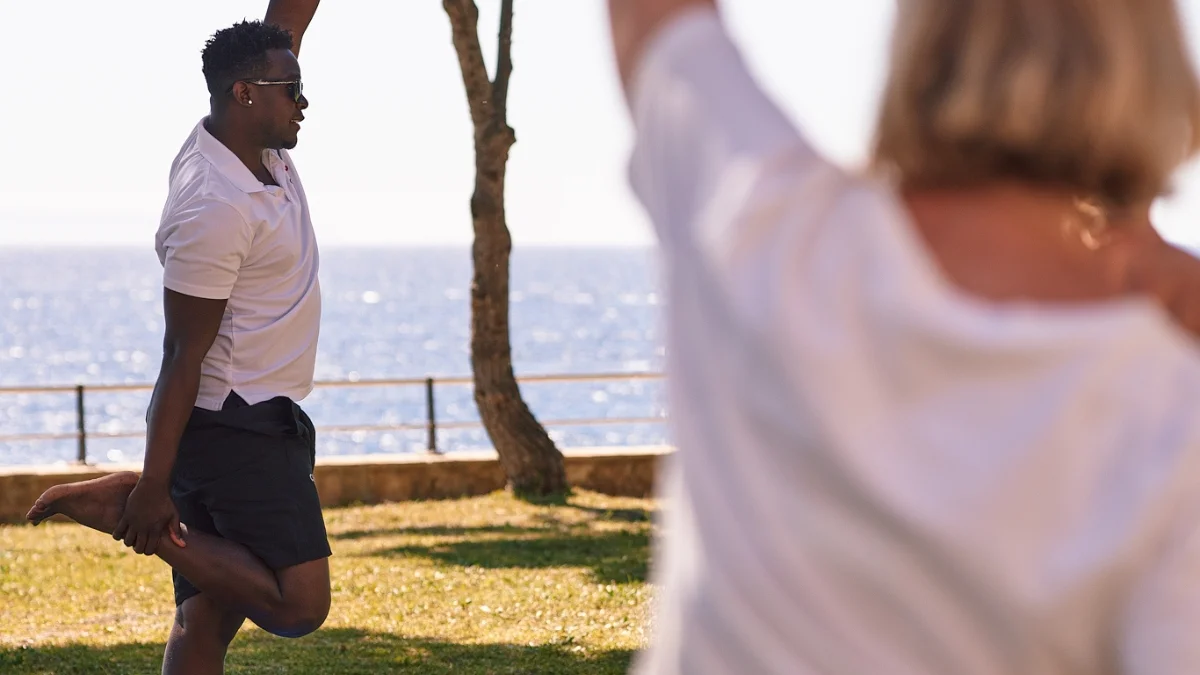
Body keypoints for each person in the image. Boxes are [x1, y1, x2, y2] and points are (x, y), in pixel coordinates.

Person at [608, 0, 1200, 673]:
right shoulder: (1170, 416)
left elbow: (654, 23)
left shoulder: (763, 224)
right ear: (1155, 66)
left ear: (923, 39)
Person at [26, 19, 329, 674]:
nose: (303, 101)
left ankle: (144, 503)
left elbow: (285, 27)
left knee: (206, 617)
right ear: (245, 93)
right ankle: (129, 509)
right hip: (238, 427)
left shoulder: (255, 143)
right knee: (299, 604)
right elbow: (181, 355)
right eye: (292, 88)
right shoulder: (214, 207)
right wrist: (154, 485)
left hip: (249, 417)